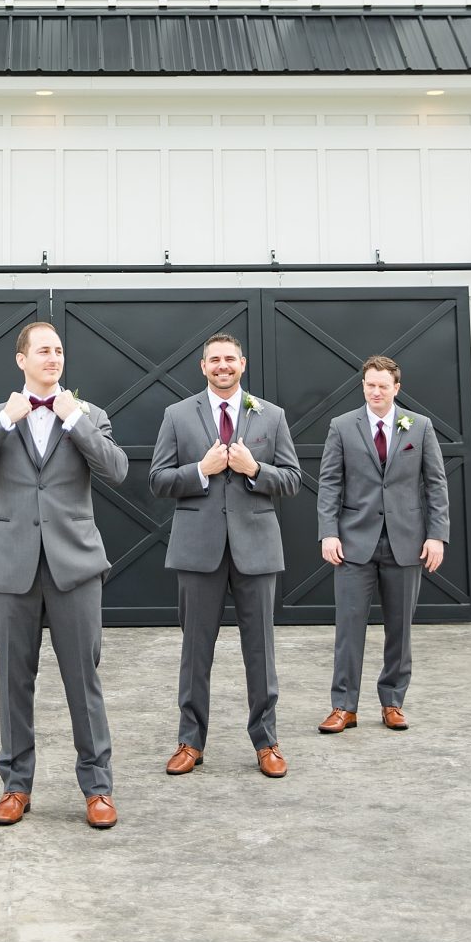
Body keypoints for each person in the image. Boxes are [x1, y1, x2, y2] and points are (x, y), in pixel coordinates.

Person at [0, 321, 128, 829]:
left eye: (58, 350)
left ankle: (98, 788)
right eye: (43, 351)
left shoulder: (89, 414)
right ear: (21, 359)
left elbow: (117, 470)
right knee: (13, 682)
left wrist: (76, 421)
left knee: (83, 681)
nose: (53, 358)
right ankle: (15, 785)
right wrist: (4, 422)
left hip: (75, 565)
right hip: (12, 566)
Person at [149, 332, 300, 778]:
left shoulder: (271, 416)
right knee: (195, 652)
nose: (222, 366)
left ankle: (267, 741)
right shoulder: (177, 415)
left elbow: (292, 479)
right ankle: (190, 742)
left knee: (261, 651)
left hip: (257, 548)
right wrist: (201, 470)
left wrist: (255, 470)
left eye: (229, 359)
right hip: (198, 551)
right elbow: (158, 479)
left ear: (243, 364)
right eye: (214, 360)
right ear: (203, 367)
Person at [316, 354, 449, 734]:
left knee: (400, 628)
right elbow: (329, 483)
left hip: (406, 543)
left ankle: (392, 702)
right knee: (348, 627)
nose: (376, 391)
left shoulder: (419, 427)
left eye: (383, 386)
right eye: (370, 385)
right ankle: (344, 706)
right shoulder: (342, 426)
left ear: (396, 388)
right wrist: (329, 531)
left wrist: (437, 534)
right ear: (363, 386)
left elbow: (435, 484)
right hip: (354, 542)